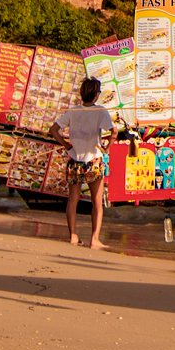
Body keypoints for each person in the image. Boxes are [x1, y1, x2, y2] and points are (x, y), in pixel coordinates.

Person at [53, 77, 114, 249]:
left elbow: (54, 130)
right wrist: (107, 146)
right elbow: (114, 131)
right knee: (97, 201)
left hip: (75, 159)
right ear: (96, 94)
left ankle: (73, 235)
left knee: (73, 199)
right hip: (93, 159)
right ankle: (94, 239)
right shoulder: (101, 111)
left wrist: (65, 144)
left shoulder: (73, 111)